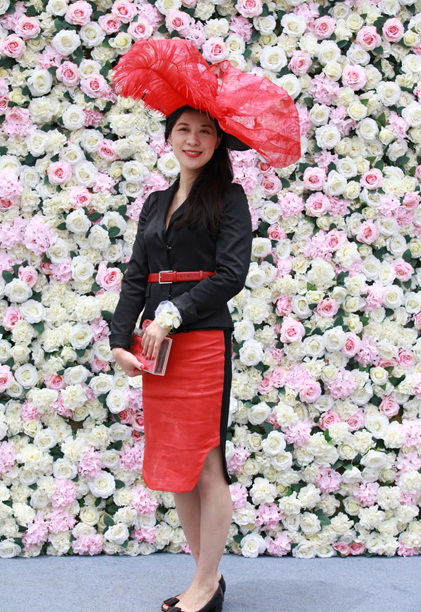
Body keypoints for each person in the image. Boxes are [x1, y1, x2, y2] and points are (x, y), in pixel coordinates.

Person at [109, 38, 301, 612]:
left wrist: (171, 314)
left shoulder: (231, 198)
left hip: (202, 344)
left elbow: (230, 275)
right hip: (155, 349)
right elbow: (135, 275)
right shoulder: (153, 203)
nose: (192, 140)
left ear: (219, 142)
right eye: (183, 129)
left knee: (206, 461)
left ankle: (205, 584)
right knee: (177, 468)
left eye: (204, 131)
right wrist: (122, 337)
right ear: (168, 136)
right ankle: (205, 581)